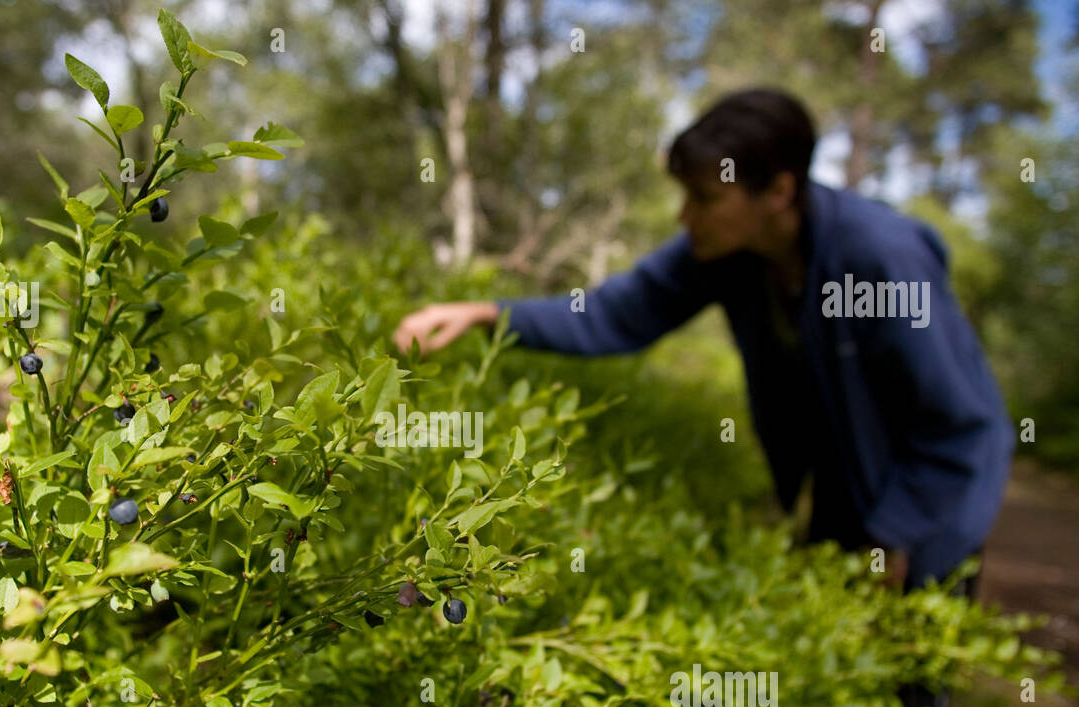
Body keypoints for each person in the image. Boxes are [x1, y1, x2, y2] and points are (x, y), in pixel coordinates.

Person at [394, 87, 1013, 622]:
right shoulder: (726, 252)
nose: (685, 216)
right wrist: (488, 315)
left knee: (907, 695)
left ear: (777, 190)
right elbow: (614, 313)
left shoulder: (880, 260)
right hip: (846, 502)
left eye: (704, 198)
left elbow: (958, 426)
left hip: (933, 504)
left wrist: (896, 539)